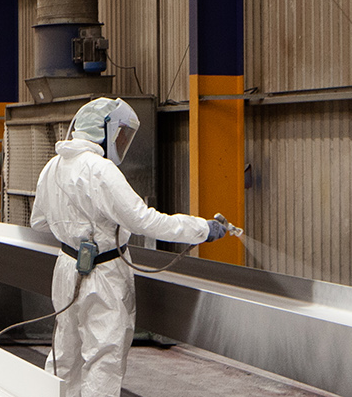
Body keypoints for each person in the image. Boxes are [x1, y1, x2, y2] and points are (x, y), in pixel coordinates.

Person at [30, 98, 230, 397]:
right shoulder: (100, 170)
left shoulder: (53, 166)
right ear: (104, 131)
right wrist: (203, 229)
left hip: (66, 268)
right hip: (103, 275)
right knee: (103, 357)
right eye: (120, 134)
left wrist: (74, 226)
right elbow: (144, 221)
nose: (123, 142)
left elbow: (39, 222)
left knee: (64, 354)